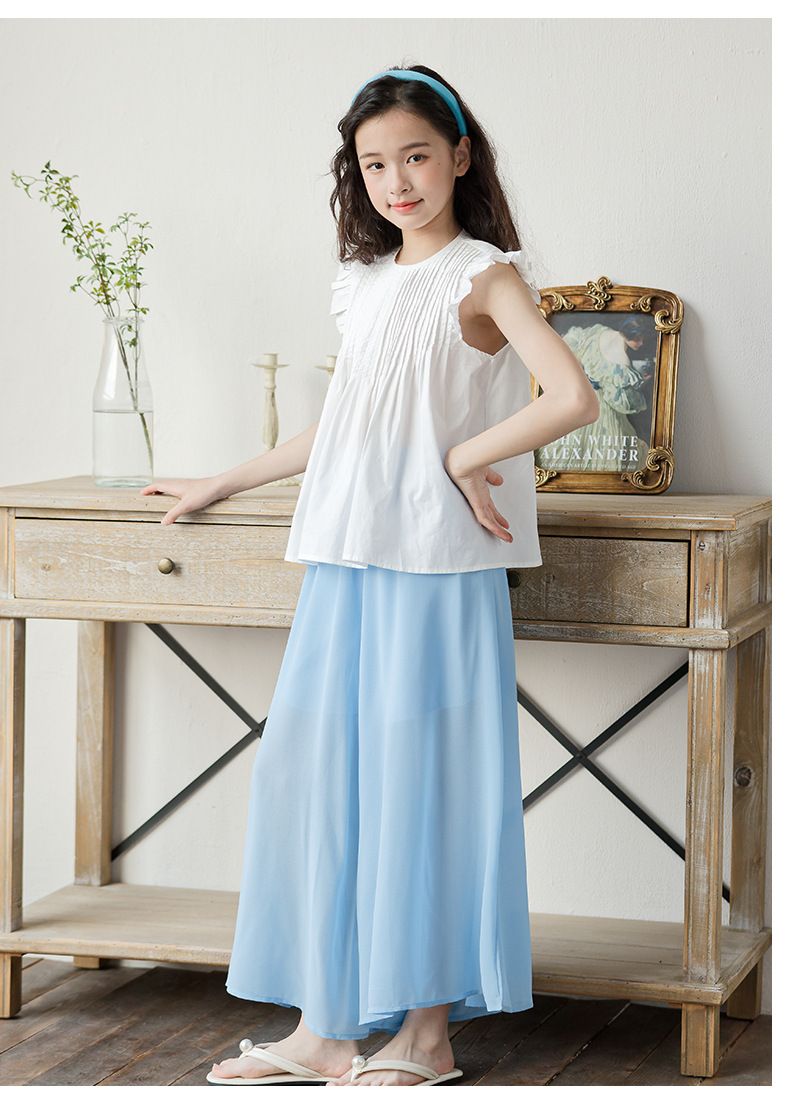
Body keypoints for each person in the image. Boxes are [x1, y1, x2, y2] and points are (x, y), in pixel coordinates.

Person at [142, 64, 598, 1087]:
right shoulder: (365, 280)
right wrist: (224, 478)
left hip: (432, 567)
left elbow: (570, 396)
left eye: (417, 157)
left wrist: (463, 456)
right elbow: (347, 420)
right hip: (345, 557)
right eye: (375, 164)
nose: (397, 181)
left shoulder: (484, 275)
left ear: (460, 157)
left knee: (418, 787)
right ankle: (327, 1028)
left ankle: (426, 1037)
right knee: (319, 779)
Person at [535, 316, 653, 473]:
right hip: (601, 408)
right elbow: (621, 403)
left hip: (580, 397)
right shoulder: (621, 359)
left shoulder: (599, 332)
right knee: (610, 446)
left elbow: (570, 341)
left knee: (575, 444)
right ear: (628, 335)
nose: (641, 343)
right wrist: (643, 381)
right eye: (637, 339)